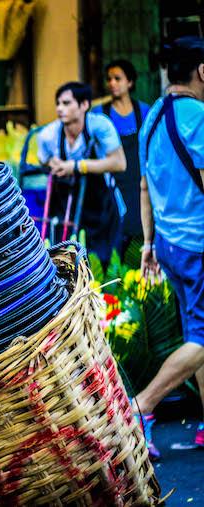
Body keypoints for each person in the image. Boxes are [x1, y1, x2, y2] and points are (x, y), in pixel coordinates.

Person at [132, 36, 204, 459]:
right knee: (202, 337)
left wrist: (147, 243)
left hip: (169, 247)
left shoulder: (153, 116)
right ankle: (141, 405)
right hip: (198, 246)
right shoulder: (197, 115)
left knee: (197, 333)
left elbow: (144, 186)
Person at [37, 82, 127, 264]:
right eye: (58, 104)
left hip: (101, 206)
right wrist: (52, 163)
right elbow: (43, 159)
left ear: (84, 105)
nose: (60, 109)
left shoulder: (100, 126)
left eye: (66, 103)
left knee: (105, 262)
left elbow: (119, 163)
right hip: (67, 204)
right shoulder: (49, 134)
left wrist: (77, 166)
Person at [92, 59, 151, 252]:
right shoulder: (99, 114)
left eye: (118, 78)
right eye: (109, 79)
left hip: (138, 181)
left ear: (130, 82)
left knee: (139, 226)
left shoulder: (144, 111)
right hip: (112, 182)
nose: (112, 83)